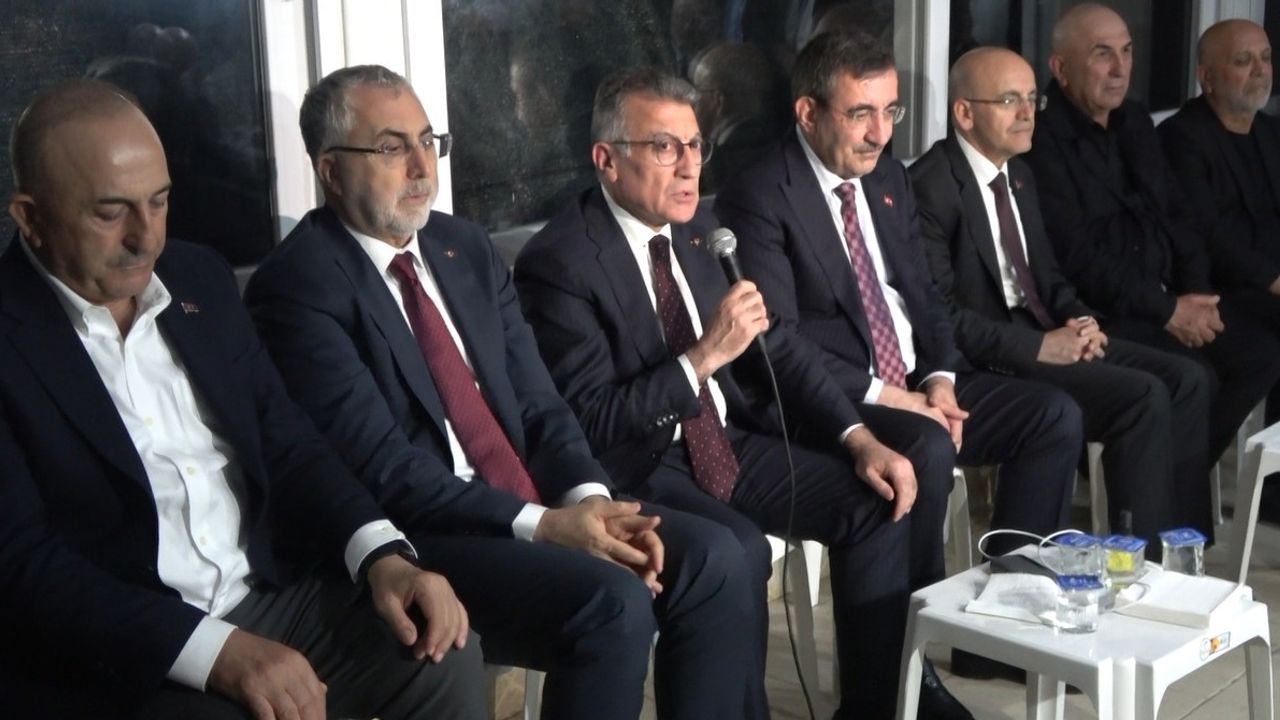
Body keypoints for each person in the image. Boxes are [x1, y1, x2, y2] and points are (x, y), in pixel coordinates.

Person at [244, 65, 756, 720]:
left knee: (714, 557)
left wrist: (590, 503)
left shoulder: (462, 247)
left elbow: (541, 406)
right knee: (613, 602)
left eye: (428, 142)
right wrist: (546, 526)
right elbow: (384, 469)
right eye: (392, 148)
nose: (421, 168)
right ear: (331, 171)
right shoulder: (300, 284)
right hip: (426, 533)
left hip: (530, 502)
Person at [0, 79, 484, 719]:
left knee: (441, 654)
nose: (147, 238)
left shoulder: (197, 278)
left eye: (159, 202)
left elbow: (287, 440)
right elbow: (22, 563)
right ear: (30, 217)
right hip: (124, 651)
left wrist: (381, 554)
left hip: (266, 589)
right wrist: (213, 650)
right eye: (110, 213)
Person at [515, 65, 971, 720]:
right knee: (737, 551)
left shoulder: (701, 232)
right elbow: (592, 421)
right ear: (606, 160)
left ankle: (877, 710)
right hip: (640, 463)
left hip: (727, 441)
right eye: (664, 147)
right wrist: (702, 358)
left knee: (873, 499)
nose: (688, 166)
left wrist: (859, 437)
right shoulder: (561, 261)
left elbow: (777, 345)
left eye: (695, 145)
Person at [715, 31, 1079, 590]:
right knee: (925, 445)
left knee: (1052, 415)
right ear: (808, 113)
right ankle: (914, 631)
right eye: (861, 113)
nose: (881, 134)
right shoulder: (761, 193)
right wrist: (895, 398)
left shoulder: (889, 177)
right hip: (836, 396)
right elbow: (777, 343)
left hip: (915, 380)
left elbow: (926, 295)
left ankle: (1014, 602)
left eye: (890, 111)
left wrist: (940, 381)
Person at [910, 47, 1211, 551]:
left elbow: (1046, 276)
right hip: (988, 358)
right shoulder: (930, 188)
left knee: (1187, 378)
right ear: (964, 113)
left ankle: (1184, 548)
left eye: (1033, 99)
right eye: (1010, 100)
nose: (1028, 113)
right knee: (1142, 397)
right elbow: (941, 318)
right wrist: (1040, 347)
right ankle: (1142, 556)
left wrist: (1080, 318)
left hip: (1042, 332)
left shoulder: (1019, 174)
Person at [1025, 4, 1280, 499]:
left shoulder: (1134, 121)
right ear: (1060, 67)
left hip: (1165, 297)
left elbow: (1179, 217)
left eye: (1127, 52)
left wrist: (1197, 294)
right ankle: (1160, 502)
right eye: (1103, 55)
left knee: (1258, 353)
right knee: (1195, 378)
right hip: (1101, 314)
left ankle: (1160, 482)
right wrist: (1169, 311)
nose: (1120, 68)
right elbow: (1078, 258)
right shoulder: (1042, 141)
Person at [1160, 19, 1280, 418]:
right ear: (1207, 78)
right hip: (1216, 289)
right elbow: (1207, 233)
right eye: (1243, 61)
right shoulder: (1182, 138)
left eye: (1265, 58)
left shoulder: (1270, 131)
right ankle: (1192, 454)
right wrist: (1275, 279)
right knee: (1262, 355)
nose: (1260, 70)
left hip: (1266, 284)